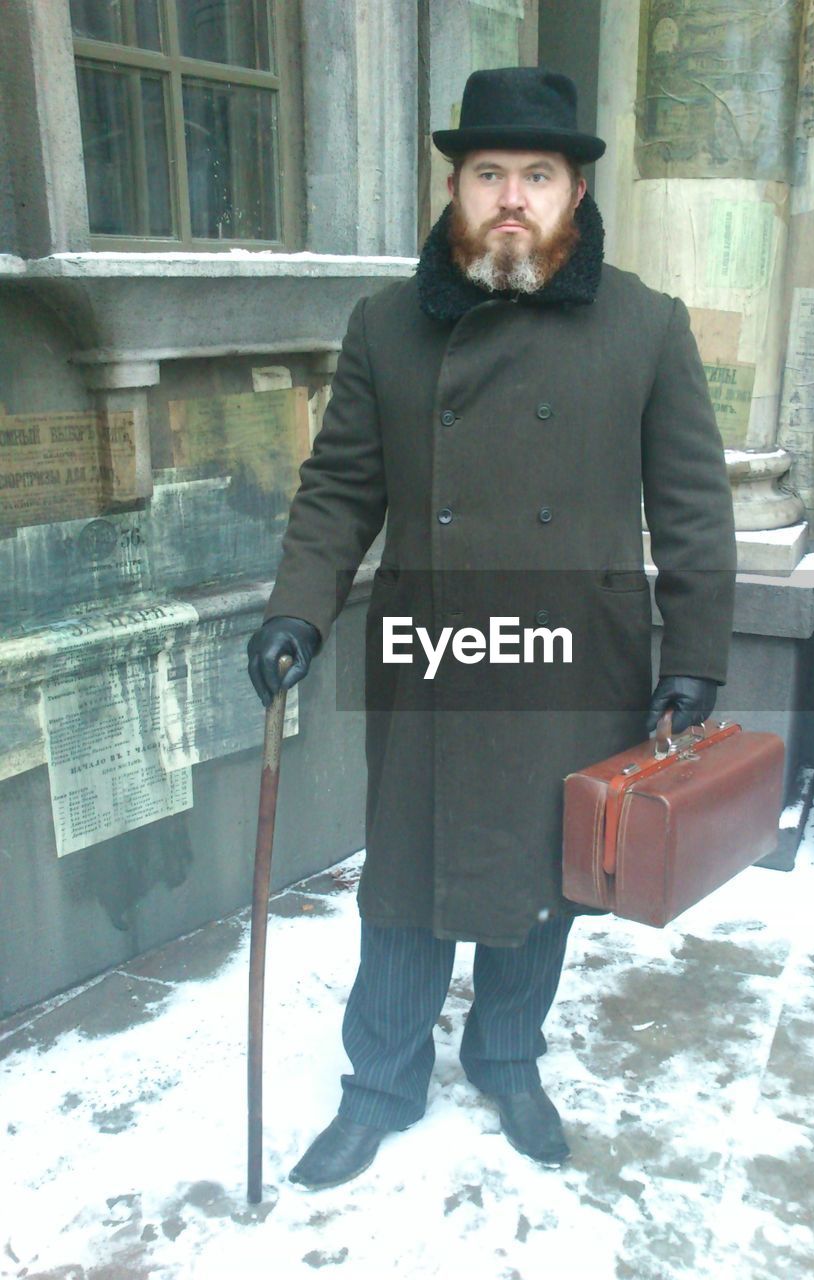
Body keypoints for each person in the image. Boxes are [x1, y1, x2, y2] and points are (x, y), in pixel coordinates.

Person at [247, 66, 736, 1189]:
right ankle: (380, 1082)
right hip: (436, 655)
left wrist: (696, 655)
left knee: (541, 882)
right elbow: (337, 490)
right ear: (456, 186)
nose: (511, 196)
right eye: (487, 173)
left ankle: (510, 1056)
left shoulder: (647, 326)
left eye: (536, 173)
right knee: (408, 883)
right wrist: (296, 607)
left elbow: (695, 506)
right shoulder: (386, 325)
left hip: (577, 655)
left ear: (573, 191)